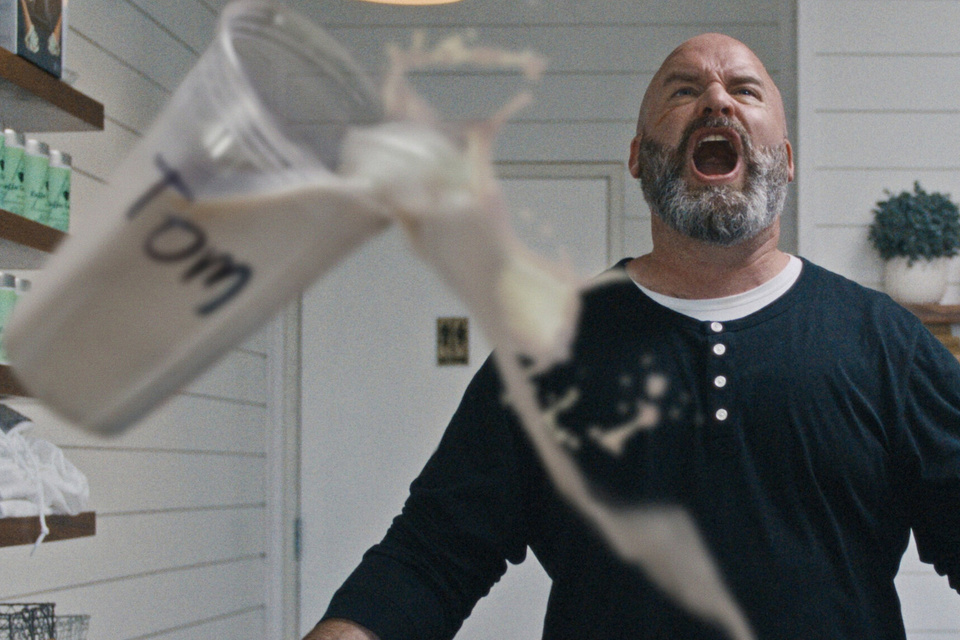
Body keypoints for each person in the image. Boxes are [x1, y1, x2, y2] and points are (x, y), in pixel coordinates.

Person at [304, 33, 960, 640]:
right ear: (638, 157)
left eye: (745, 89)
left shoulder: (887, 345)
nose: (716, 100)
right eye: (684, 89)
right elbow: (430, 557)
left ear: (785, 161)